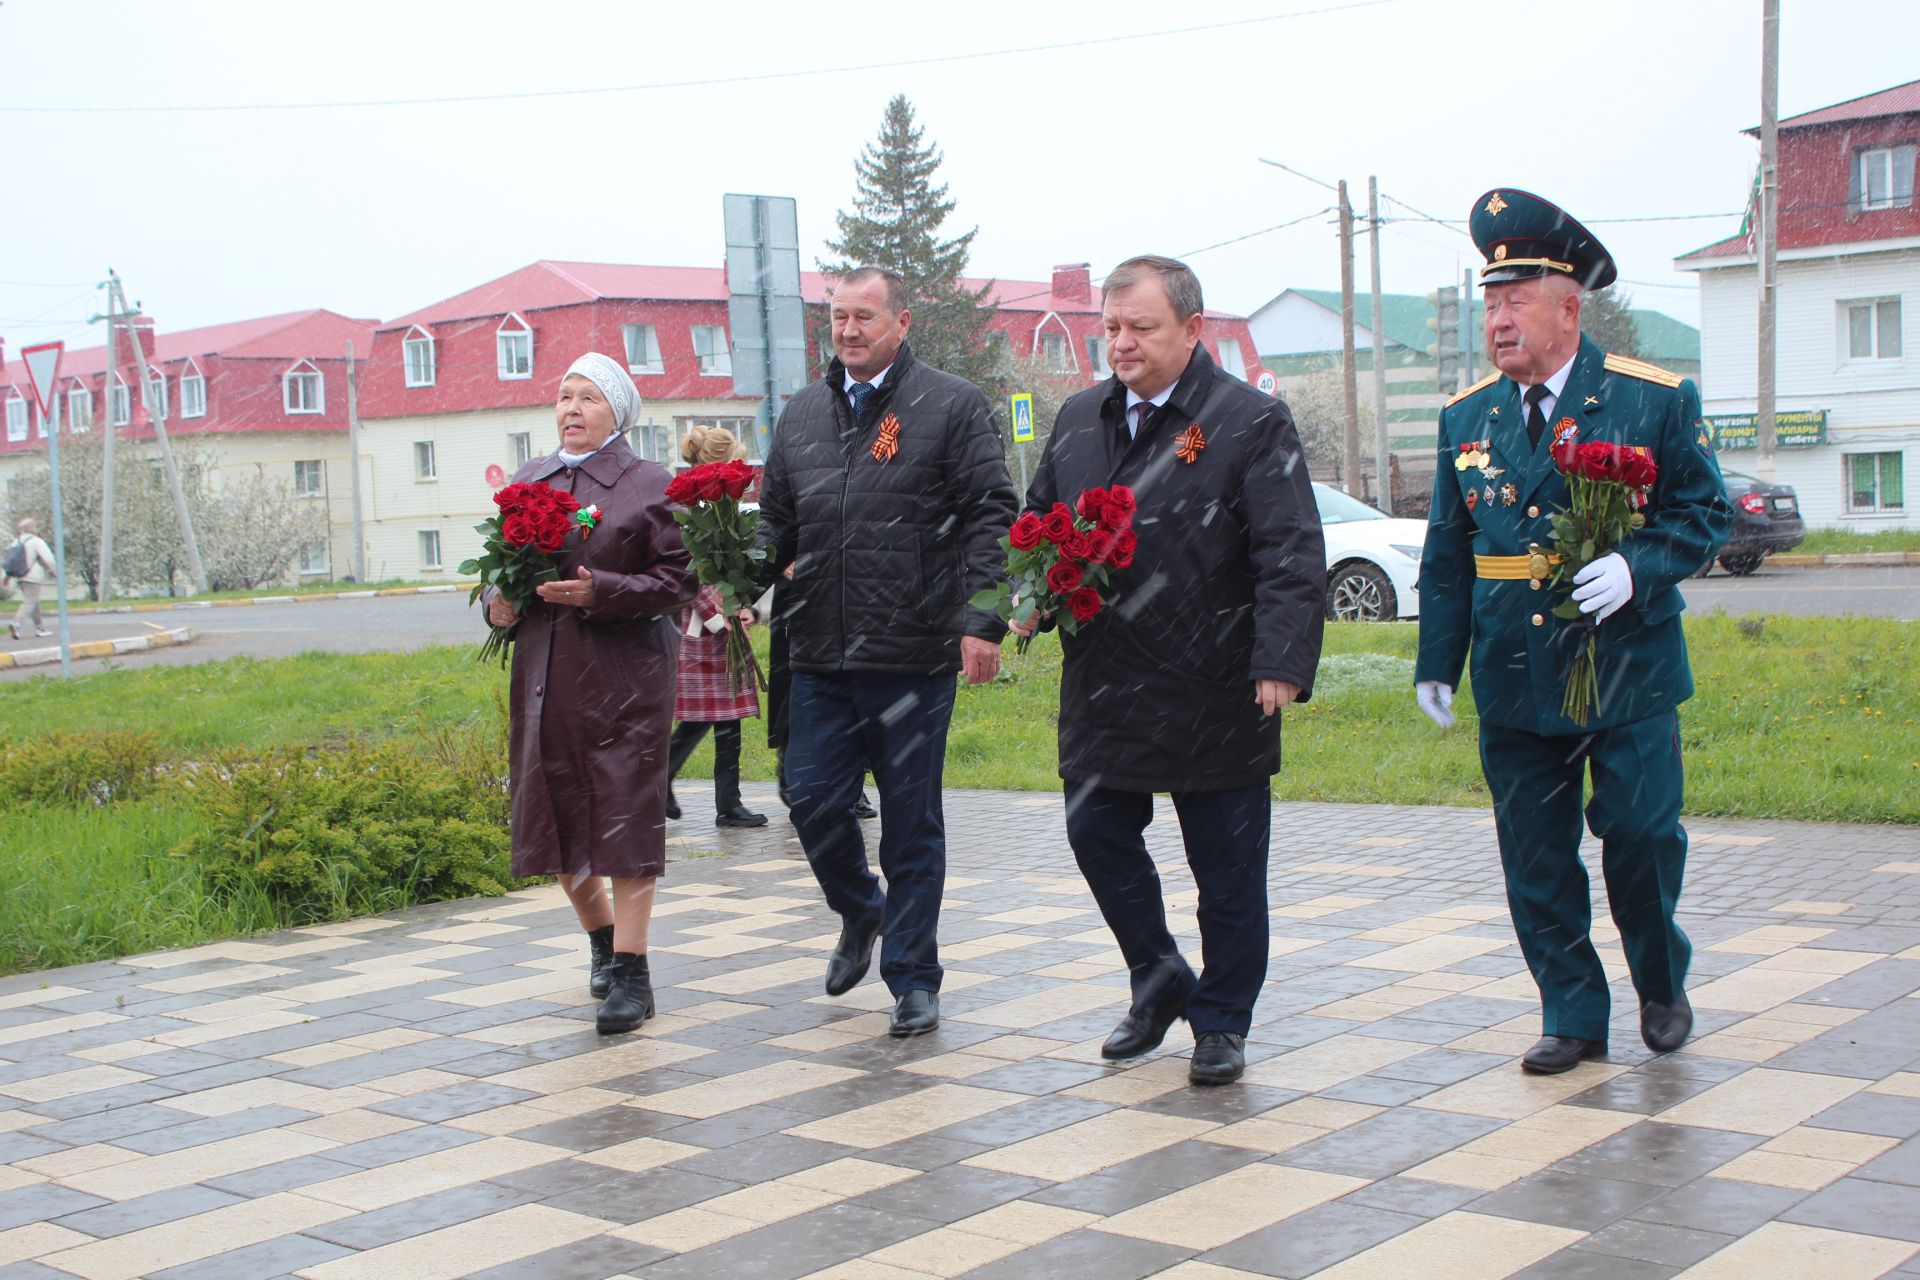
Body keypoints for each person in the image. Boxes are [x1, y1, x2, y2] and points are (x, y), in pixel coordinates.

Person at [1414, 189, 1731, 1075]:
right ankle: (1571, 1013)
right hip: (1514, 670)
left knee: (1638, 835)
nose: (1499, 320)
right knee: (1536, 857)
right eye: (1489, 302)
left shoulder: (1649, 400)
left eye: (1516, 301)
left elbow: (1705, 514)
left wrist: (1638, 564)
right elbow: (1448, 550)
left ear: (1568, 305)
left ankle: (1660, 981)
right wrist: (1437, 661)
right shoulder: (1465, 417)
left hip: (1625, 664)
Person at [1015, 255, 1326, 1086]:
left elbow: (1289, 549)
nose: (1122, 344)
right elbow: (1035, 525)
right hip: (1106, 676)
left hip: (1216, 677)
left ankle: (1222, 1020)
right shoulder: (1080, 419)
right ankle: (1157, 979)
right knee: (1095, 833)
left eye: (1141, 328)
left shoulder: (1250, 420)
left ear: (1193, 330)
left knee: (1225, 868)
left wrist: (1282, 658)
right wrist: (1015, 603)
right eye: (1111, 328)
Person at [756, 266, 1017, 1038]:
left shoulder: (950, 404)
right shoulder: (804, 411)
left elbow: (991, 515)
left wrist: (983, 618)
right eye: (838, 317)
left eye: (864, 316)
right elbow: (774, 520)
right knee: (809, 799)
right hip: (818, 653)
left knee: (910, 822)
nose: (848, 330)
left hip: (911, 652)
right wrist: (743, 575)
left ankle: (913, 977)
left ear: (902, 322)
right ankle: (860, 910)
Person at [485, 353, 695, 1035]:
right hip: (546, 675)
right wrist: (498, 602)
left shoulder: (649, 485)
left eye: (588, 398)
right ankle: (603, 942)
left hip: (625, 678)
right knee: (556, 815)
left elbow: (679, 584)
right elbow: (502, 570)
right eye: (563, 395)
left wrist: (602, 591)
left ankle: (633, 974)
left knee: (626, 819)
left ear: (619, 413)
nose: (571, 409)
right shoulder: (530, 480)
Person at [665, 425, 767, 830]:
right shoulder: (684, 509)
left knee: (724, 716)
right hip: (699, 629)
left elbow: (730, 569)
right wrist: (718, 614)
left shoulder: (720, 510)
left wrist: (744, 607)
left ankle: (727, 802)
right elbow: (686, 574)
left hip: (721, 625)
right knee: (704, 715)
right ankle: (673, 785)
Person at [5, 518, 56, 640]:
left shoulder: (15, 542)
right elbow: (48, 558)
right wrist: (56, 572)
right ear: (32, 528)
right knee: (30, 602)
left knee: (34, 601)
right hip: (33, 576)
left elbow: (9, 561)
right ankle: (16, 624)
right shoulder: (36, 541)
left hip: (20, 576)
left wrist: (7, 576)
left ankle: (40, 628)